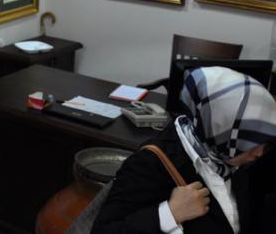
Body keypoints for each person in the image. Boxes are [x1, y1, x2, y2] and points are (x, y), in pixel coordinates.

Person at [92, 66, 276, 233]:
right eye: (248, 143)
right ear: (219, 128)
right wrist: (169, 213)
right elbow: (103, 230)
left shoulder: (235, 155)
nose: (259, 153)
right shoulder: (149, 164)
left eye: (264, 141)